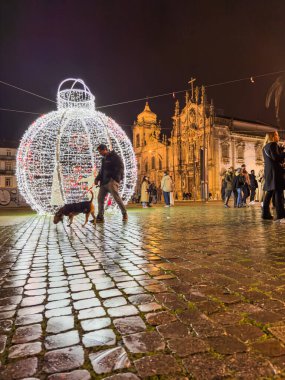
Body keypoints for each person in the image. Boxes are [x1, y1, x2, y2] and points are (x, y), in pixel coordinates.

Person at [94, 144, 127, 222]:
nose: (100, 153)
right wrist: (97, 178)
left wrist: (115, 179)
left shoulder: (115, 157)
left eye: (100, 151)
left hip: (111, 181)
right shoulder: (103, 159)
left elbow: (121, 168)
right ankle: (100, 217)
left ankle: (124, 213)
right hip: (103, 183)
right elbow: (101, 171)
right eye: (99, 152)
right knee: (100, 199)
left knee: (116, 198)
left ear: (105, 149)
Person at [262, 131, 285, 221]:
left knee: (269, 193)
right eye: (276, 135)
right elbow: (277, 157)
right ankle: (281, 215)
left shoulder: (265, 147)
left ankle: (265, 214)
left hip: (269, 172)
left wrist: (281, 148)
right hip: (275, 172)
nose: (278, 136)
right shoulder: (273, 144)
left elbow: (273, 156)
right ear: (273, 137)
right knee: (278, 193)